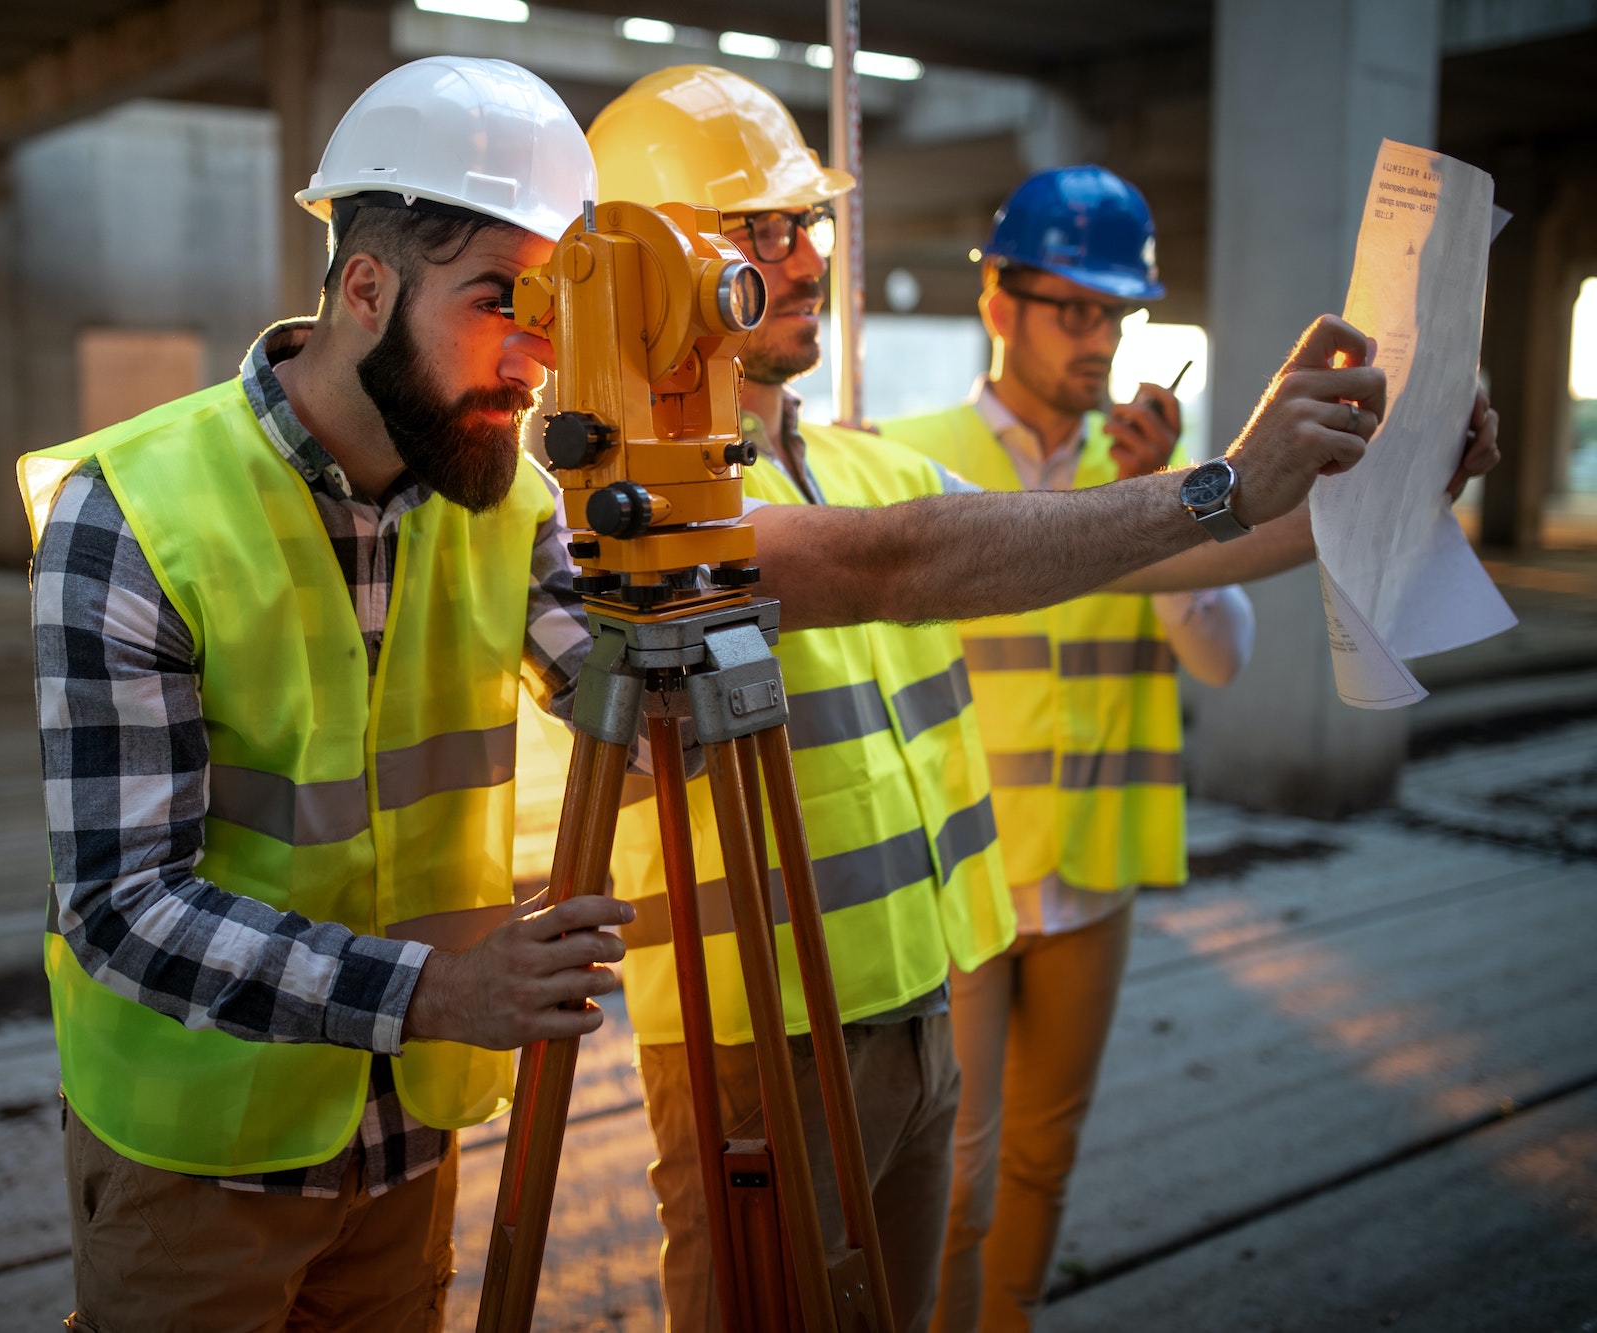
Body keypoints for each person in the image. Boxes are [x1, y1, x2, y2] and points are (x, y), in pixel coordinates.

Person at [20, 53, 1402, 1332]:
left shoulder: (497, 500)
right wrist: (435, 988)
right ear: (366, 288)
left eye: (555, 306)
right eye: (503, 301)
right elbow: (123, 907)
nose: (535, 352)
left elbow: (662, 697)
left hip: (408, 1149)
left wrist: (1359, 486)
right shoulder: (140, 510)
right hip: (198, 1162)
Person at [587, 65, 1501, 1333]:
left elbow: (1177, 554)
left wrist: (1380, 477)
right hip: (767, 1032)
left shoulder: (852, 460)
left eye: (807, 226)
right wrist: (1224, 480)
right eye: (757, 231)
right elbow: (893, 563)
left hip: (922, 993)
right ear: (638, 257)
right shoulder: (628, 508)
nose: (802, 261)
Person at [878, 167, 1246, 1333]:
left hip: (1091, 871)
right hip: (959, 875)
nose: (1098, 340)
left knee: (1041, 1158)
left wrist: (1161, 508)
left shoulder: (1147, 476)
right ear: (999, 304)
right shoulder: (901, 457)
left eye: (1114, 314)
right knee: (957, 1171)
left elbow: (1223, 656)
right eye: (1071, 309)